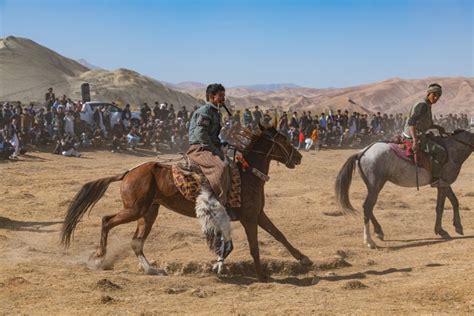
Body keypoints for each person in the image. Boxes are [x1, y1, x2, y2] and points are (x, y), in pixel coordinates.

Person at [187, 83, 233, 260]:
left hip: (210, 146)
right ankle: (217, 202)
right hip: (199, 148)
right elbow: (201, 135)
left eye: (224, 95)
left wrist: (222, 144)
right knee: (221, 167)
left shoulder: (215, 112)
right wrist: (216, 150)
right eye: (220, 96)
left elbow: (213, 136)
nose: (223, 99)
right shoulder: (206, 112)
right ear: (212, 97)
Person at [403, 83, 448, 187]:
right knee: (441, 152)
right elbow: (412, 122)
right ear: (428, 93)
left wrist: (438, 127)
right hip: (414, 136)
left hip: (418, 134)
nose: (436, 98)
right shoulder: (422, 105)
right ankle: (435, 179)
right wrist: (415, 141)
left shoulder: (427, 105)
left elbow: (426, 123)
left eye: (438, 96)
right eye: (434, 95)